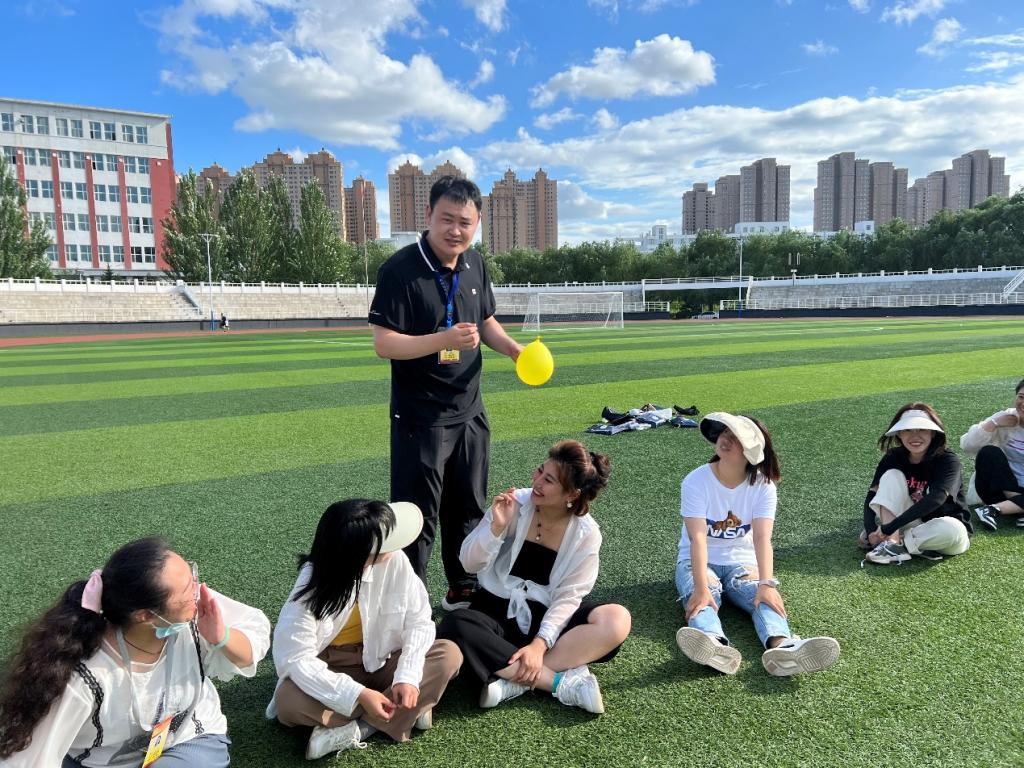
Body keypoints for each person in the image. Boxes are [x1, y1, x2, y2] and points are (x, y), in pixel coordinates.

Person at [369, 176, 523, 610]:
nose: (456, 230)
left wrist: (514, 350)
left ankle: (462, 586)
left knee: (469, 507)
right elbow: (384, 343)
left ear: (477, 224)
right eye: (447, 219)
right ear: (429, 216)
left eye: (465, 223)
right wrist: (443, 339)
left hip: (470, 410)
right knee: (416, 516)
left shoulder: (475, 263)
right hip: (421, 416)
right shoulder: (400, 270)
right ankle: (410, 602)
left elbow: (485, 321)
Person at [0, 537, 271, 767]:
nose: (199, 590)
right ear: (145, 615)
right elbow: (28, 757)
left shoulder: (196, 613)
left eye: (193, 575)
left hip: (188, 738)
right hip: (98, 760)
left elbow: (250, 648)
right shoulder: (85, 675)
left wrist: (220, 636)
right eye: (188, 588)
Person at [438, 440, 630, 714]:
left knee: (616, 618)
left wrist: (540, 645)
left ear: (572, 494)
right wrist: (496, 528)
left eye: (548, 480)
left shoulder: (586, 534)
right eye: (540, 471)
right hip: (494, 614)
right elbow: (469, 562)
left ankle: (513, 681)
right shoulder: (514, 504)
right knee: (456, 623)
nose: (536, 481)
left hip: (549, 618)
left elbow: (568, 597)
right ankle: (557, 683)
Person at [266, 499, 463, 760]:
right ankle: (409, 709)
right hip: (333, 665)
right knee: (288, 702)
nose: (395, 546)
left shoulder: (395, 560)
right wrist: (358, 694)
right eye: (382, 545)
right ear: (356, 558)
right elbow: (294, 657)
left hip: (386, 658)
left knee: (448, 654)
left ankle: (359, 729)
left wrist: (407, 676)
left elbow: (419, 620)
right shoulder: (312, 584)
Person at [675, 413, 840, 676]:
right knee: (703, 596)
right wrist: (701, 588)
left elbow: (763, 539)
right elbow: (697, 537)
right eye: (724, 432)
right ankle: (713, 643)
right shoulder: (696, 480)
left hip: (742, 560)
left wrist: (766, 584)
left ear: (749, 451)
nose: (725, 439)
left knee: (763, 597)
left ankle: (783, 646)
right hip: (697, 559)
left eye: (735, 437)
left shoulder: (764, 486)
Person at [861, 403, 973, 564]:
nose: (915, 436)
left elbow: (936, 498)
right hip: (906, 524)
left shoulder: (948, 460)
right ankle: (893, 543)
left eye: (922, 429)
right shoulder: (893, 457)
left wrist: (887, 528)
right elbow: (873, 493)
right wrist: (870, 530)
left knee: (953, 529)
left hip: (942, 532)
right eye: (907, 430)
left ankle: (894, 543)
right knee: (891, 475)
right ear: (899, 434)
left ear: (933, 433)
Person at [960, 378, 1024, 531]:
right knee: (989, 452)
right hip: (998, 489)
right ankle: (1017, 504)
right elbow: (967, 446)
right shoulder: (1005, 417)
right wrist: (993, 423)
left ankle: (994, 510)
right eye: (1021, 397)